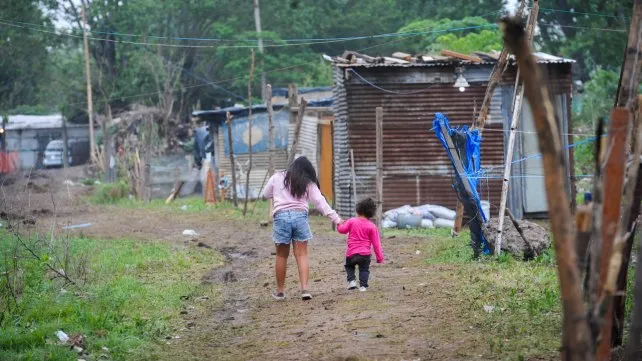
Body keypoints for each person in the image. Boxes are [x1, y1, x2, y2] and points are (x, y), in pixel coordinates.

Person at [263, 156, 342, 301]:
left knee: (281, 256)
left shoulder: (277, 177)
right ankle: (305, 289)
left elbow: (265, 194)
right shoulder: (307, 183)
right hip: (300, 217)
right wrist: (337, 219)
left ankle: (280, 292)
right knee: (302, 255)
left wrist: (279, 194)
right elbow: (320, 202)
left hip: (280, 218)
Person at [337, 198, 384, 292]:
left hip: (351, 253)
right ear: (371, 213)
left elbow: (342, 230)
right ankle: (363, 286)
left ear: (358, 210)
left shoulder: (351, 221)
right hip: (365, 254)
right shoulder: (372, 226)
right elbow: (376, 244)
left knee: (349, 266)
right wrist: (380, 258)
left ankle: (352, 282)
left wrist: (339, 224)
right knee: (364, 270)